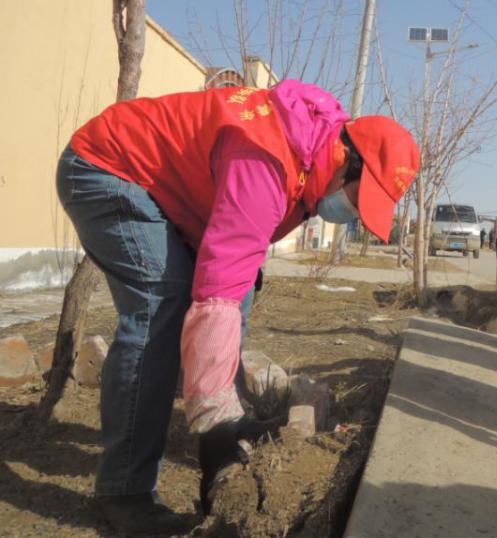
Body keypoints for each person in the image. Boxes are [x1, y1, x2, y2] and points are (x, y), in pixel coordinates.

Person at [56, 79, 419, 534]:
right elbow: (216, 292)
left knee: (239, 291)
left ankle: (218, 457)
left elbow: (234, 272)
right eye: (358, 200)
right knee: (160, 308)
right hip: (105, 169)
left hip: (164, 193)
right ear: (346, 163)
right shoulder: (266, 156)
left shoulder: (309, 156)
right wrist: (214, 408)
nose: (353, 215)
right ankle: (124, 491)